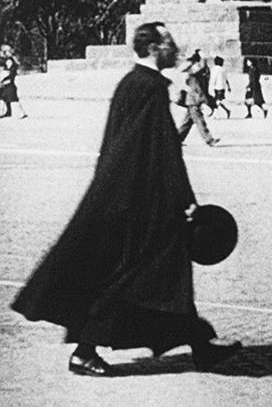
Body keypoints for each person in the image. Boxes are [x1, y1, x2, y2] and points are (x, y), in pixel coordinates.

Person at [10, 22, 241, 376]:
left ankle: (200, 346)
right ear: (152, 48)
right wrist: (185, 198)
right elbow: (164, 152)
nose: (173, 48)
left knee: (164, 276)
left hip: (128, 198)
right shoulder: (147, 88)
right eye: (167, 42)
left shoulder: (133, 84)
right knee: (139, 277)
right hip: (143, 204)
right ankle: (86, 351)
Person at [177, 54, 219, 146]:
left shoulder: (194, 74)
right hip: (193, 100)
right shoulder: (192, 73)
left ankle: (176, 139)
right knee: (199, 120)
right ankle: (209, 140)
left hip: (193, 100)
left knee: (187, 122)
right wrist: (203, 57)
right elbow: (201, 67)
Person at [0, 43, 28, 119]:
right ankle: (7, 112)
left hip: (8, 82)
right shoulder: (11, 60)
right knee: (4, 97)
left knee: (13, 98)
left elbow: (7, 72)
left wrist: (1, 80)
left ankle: (21, 113)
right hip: (8, 81)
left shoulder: (9, 61)